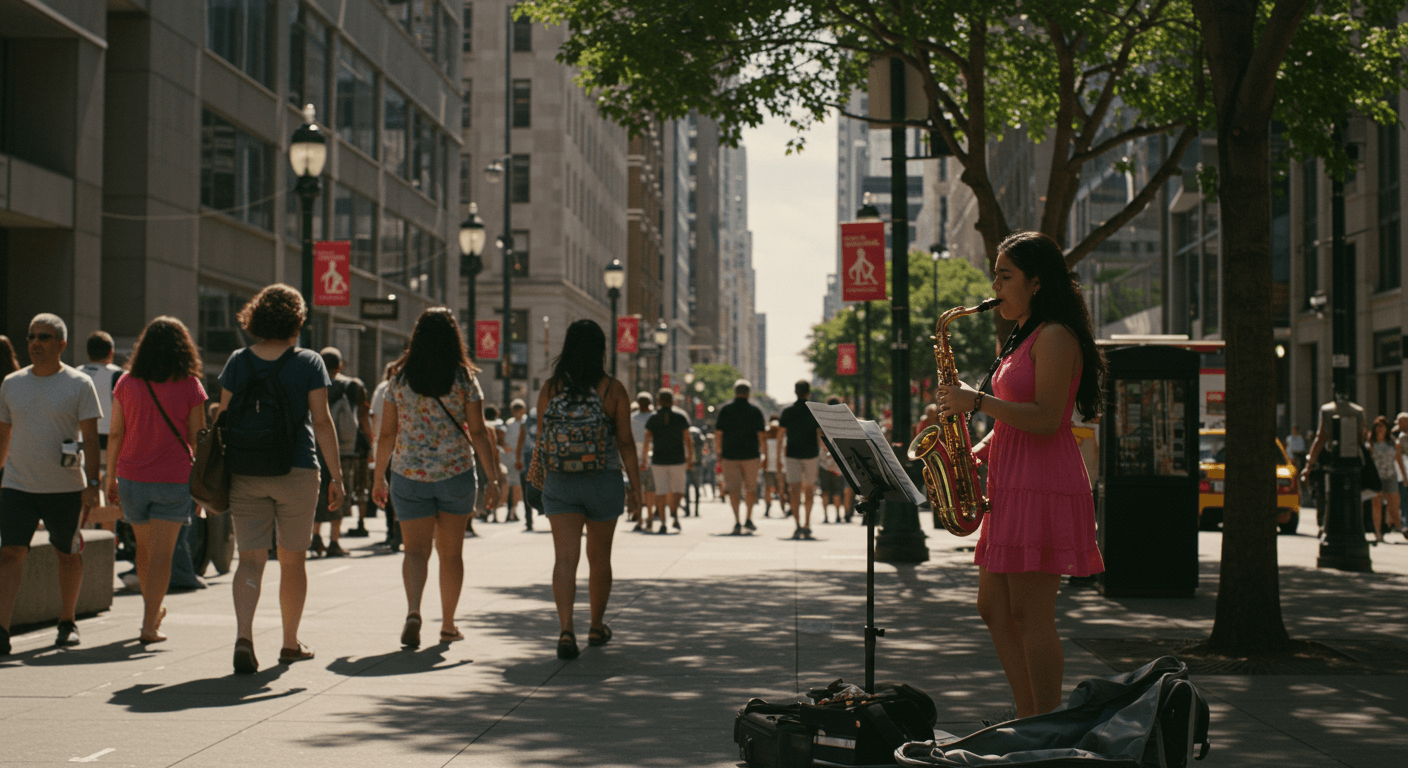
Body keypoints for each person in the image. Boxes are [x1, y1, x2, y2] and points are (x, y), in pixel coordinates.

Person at [936, 231, 1106, 718]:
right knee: (993, 608)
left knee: (1030, 613)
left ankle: (1043, 722)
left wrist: (976, 401)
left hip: (1043, 483)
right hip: (1011, 481)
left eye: (1004, 275)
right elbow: (1013, 417)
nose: (994, 286)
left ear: (1036, 282)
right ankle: (1027, 713)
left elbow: (1048, 418)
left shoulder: (1055, 336)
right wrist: (976, 452)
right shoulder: (1022, 337)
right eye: (995, 274)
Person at [217, 284, 344, 674]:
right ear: (297, 321)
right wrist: (337, 476)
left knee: (250, 559)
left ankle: (244, 637)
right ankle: (290, 642)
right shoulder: (309, 362)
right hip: (297, 469)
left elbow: (223, 418)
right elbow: (321, 421)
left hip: (246, 471)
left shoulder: (238, 361)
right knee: (293, 560)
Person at [372, 308, 501, 648]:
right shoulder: (463, 378)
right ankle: (447, 624)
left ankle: (414, 611)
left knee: (415, 551)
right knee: (451, 554)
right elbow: (478, 431)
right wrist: (493, 478)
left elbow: (387, 434)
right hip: (455, 474)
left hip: (408, 475)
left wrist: (378, 477)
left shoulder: (399, 380)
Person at [536, 319, 641, 660]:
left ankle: (566, 630)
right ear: (601, 350)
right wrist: (637, 489)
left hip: (560, 481)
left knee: (565, 558)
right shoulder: (613, 389)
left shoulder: (551, 389)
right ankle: (596, 626)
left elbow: (542, 440)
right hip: (602, 480)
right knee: (600, 558)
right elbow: (626, 443)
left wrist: (538, 480)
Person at [0, 314, 103, 654]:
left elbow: (90, 439)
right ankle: (1, 630)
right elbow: (3, 436)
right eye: (31, 337)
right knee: (10, 553)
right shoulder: (11, 383)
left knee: (67, 554)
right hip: (17, 485)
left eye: (44, 337)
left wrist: (93, 483)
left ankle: (67, 622)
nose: (35, 343)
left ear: (61, 344)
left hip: (64, 488)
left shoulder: (79, 384)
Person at [104, 316, 207, 643]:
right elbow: (198, 437)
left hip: (132, 477)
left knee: (145, 551)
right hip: (173, 479)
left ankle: (151, 612)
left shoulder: (126, 383)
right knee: (163, 554)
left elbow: (116, 433)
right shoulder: (190, 385)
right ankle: (149, 623)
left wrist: (109, 476)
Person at [308, 347, 373, 557]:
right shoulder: (352, 385)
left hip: (316, 445)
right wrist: (369, 442)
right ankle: (334, 541)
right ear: (340, 366)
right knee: (338, 491)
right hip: (345, 447)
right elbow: (362, 417)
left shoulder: (311, 383)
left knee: (319, 491)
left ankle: (315, 537)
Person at [715, 379, 767, 535]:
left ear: (735, 392)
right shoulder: (755, 410)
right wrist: (764, 454)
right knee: (751, 488)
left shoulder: (725, 410)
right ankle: (748, 518)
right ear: (748, 393)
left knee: (733, 489)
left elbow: (718, 433)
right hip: (751, 455)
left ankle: (737, 520)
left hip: (729, 455)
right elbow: (761, 435)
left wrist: (718, 453)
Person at [641, 389, 693, 533]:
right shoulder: (681, 417)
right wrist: (690, 458)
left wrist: (644, 459)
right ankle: (674, 513)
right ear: (672, 401)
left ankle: (664, 522)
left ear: (659, 401)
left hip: (659, 459)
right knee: (678, 490)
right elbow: (688, 440)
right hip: (678, 459)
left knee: (661, 492)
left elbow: (647, 440)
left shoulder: (653, 418)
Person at [779, 380, 823, 540]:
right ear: (808, 393)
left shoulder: (787, 411)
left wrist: (778, 457)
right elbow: (820, 434)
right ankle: (807, 523)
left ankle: (797, 525)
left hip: (792, 454)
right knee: (809, 489)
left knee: (794, 490)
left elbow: (780, 435)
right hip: (811, 454)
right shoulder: (814, 411)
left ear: (795, 392)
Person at [368, 363, 404, 549]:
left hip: (384, 447)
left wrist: (373, 443)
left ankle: (391, 531)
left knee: (387, 489)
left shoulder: (382, 389)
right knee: (400, 491)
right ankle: (400, 530)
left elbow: (374, 418)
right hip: (405, 448)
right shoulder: (407, 386)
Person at [1367, 415, 1400, 545]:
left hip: (1390, 475)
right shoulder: (1371, 442)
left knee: (1393, 504)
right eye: (1377, 426)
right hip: (1376, 476)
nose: (1379, 428)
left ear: (1387, 428)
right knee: (1377, 504)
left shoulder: (1392, 442)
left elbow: (1398, 459)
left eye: (1382, 426)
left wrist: (1403, 476)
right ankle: (1378, 533)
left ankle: (1390, 523)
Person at [629, 392, 656, 528]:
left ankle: (640, 517)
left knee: (638, 489)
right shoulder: (655, 417)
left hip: (636, 458)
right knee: (650, 489)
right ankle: (650, 516)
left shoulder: (631, 418)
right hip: (652, 457)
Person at [502, 399, 528, 523]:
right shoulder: (509, 423)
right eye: (515, 410)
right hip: (510, 458)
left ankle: (514, 510)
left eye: (519, 410)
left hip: (523, 458)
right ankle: (511, 510)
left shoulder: (527, 422)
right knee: (512, 485)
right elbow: (504, 440)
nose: (517, 412)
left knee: (519, 486)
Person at [760, 418, 787, 517]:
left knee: (768, 488)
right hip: (780, 467)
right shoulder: (783, 439)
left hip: (769, 467)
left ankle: (768, 508)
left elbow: (763, 452)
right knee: (781, 490)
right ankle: (783, 508)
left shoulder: (766, 440)